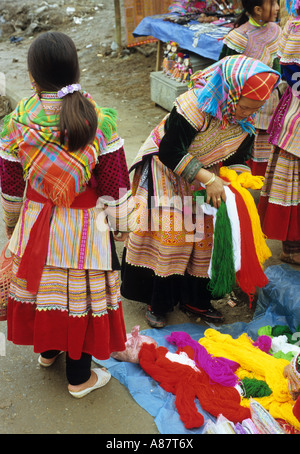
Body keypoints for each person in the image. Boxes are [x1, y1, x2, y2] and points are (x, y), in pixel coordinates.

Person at [0, 32, 137, 397]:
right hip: (85, 230)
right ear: (76, 69)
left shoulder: (16, 123)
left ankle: (47, 353)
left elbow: (11, 188)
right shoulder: (96, 120)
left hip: (37, 224)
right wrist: (123, 226)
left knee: (45, 289)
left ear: (32, 78)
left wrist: (14, 227)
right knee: (82, 300)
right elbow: (115, 185)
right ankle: (79, 379)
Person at [121, 55, 280, 328]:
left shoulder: (244, 122)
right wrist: (209, 178)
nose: (248, 113)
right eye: (244, 106)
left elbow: (236, 158)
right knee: (172, 235)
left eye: (257, 107)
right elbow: (170, 151)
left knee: (205, 235)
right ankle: (157, 302)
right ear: (231, 93)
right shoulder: (194, 106)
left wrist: (238, 181)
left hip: (205, 176)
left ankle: (195, 300)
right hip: (166, 168)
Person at [219, 0, 282, 176]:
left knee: (265, 152)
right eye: (274, 4)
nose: (278, 8)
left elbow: (279, 69)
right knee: (240, 153)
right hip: (242, 110)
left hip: (270, 106)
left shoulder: (276, 31)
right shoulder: (238, 37)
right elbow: (223, 73)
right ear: (257, 10)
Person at [258, 1, 300, 266]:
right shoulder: (297, 26)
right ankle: (292, 247)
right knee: (293, 179)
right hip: (297, 107)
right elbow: (290, 69)